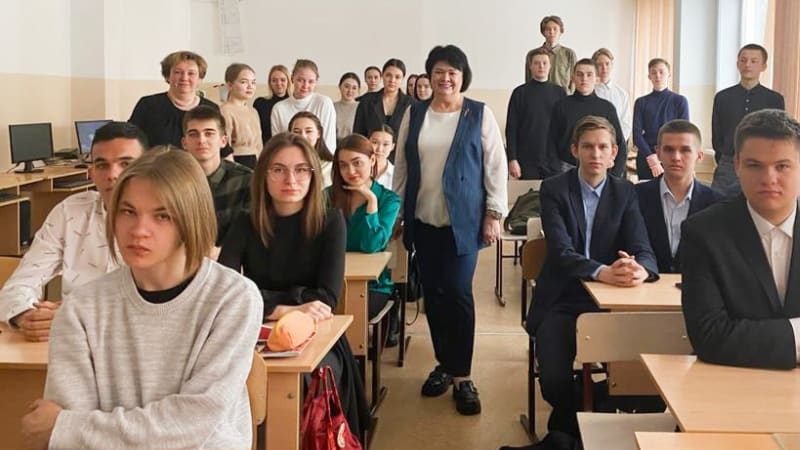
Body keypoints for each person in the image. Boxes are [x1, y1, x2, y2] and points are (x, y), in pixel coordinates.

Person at [21, 148, 262, 450]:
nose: (139, 231)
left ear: (191, 219)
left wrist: (68, 428)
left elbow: (194, 423)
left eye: (162, 216)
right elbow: (73, 444)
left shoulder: (233, 298)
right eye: (128, 212)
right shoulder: (81, 309)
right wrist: (72, 431)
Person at [502, 116, 658, 450]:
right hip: (562, 298)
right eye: (587, 146)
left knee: (637, 379)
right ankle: (581, 424)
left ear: (614, 153)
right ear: (575, 150)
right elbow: (560, 252)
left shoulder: (625, 192)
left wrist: (641, 269)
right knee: (554, 382)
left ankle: (565, 435)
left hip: (610, 302)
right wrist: (602, 271)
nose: (595, 154)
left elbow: (643, 247)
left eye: (603, 147)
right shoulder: (554, 188)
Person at [218, 132, 370, 438]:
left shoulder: (331, 221)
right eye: (278, 169)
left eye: (301, 170)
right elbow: (226, 292)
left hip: (317, 336)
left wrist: (261, 300)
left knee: (306, 383)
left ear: (313, 176)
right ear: (264, 175)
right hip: (256, 332)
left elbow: (326, 298)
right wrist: (287, 308)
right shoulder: (245, 222)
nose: (290, 179)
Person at [395, 44, 508, 416]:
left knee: (458, 293)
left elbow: (496, 166)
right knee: (434, 294)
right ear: (429, 75)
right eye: (439, 71)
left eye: (452, 72)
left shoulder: (479, 114)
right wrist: (398, 210)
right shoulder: (415, 113)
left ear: (463, 77)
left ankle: (463, 376)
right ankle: (444, 363)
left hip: (465, 221)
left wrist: (494, 213)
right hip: (423, 218)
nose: (445, 78)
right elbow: (402, 166)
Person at [0, 122, 147, 341]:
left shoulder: (168, 221)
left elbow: (164, 306)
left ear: (147, 169)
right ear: (91, 173)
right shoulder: (70, 212)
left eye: (125, 163)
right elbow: (18, 285)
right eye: (102, 165)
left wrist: (76, 316)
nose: (112, 174)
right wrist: (27, 316)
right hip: (71, 343)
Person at [682, 109, 800, 370]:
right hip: (728, 384)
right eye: (754, 165)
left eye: (782, 166)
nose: (769, 178)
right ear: (736, 165)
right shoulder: (703, 233)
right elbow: (710, 336)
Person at [327, 134, 400, 319]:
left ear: (372, 160)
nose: (350, 171)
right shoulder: (327, 197)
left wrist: (371, 202)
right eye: (343, 165)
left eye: (357, 163)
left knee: (352, 312)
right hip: (332, 279)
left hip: (372, 284)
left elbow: (371, 246)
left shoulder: (389, 199)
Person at [635, 120, 723, 273]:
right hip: (646, 283)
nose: (676, 157)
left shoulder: (717, 204)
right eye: (669, 149)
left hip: (698, 285)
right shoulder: (635, 197)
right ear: (658, 153)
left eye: (685, 150)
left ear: (699, 156)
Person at [711, 44, 785, 197]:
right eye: (743, 60)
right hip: (728, 163)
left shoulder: (774, 99)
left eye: (753, 61)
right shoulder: (722, 97)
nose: (747, 65)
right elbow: (717, 133)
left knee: (758, 203)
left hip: (762, 163)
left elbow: (779, 135)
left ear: (763, 66)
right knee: (718, 204)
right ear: (738, 64)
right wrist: (725, 156)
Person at [182, 105, 252, 254]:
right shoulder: (172, 181)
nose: (201, 140)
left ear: (223, 140)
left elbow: (251, 234)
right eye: (193, 134)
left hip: (232, 261)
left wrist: (222, 253)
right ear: (184, 143)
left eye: (209, 133)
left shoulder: (246, 180)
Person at [548, 59, 627, 176]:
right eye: (579, 74)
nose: (584, 78)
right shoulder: (561, 106)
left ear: (597, 79)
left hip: (599, 167)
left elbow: (620, 143)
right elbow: (550, 142)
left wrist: (614, 175)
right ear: (573, 78)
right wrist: (556, 171)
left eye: (589, 75)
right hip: (566, 169)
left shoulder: (607, 108)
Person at [129, 50, 219, 149]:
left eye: (191, 73)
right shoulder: (148, 105)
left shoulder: (211, 108)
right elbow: (131, 142)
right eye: (177, 72)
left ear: (200, 78)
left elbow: (222, 149)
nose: (184, 78)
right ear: (167, 76)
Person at [506, 47, 566, 179]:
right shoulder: (520, 93)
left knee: (554, 192)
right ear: (530, 66)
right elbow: (511, 128)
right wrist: (512, 159)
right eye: (537, 63)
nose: (541, 66)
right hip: (527, 159)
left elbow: (564, 127)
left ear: (550, 66)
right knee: (529, 193)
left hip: (554, 160)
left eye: (544, 63)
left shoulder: (560, 93)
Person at [632, 58, 690, 180]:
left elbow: (684, 133)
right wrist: (651, 157)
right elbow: (637, 134)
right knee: (646, 190)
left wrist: (667, 155)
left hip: (672, 157)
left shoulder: (680, 101)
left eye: (661, 72)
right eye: (653, 72)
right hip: (647, 158)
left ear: (669, 74)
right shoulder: (641, 102)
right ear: (649, 76)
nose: (657, 76)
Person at [270, 59, 337, 150]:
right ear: (292, 78)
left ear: (316, 81)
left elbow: (329, 144)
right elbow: (278, 146)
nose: (305, 86)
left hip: (319, 158)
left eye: (311, 81)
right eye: (300, 80)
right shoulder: (279, 108)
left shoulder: (324, 103)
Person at [353, 58, 413, 139]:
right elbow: (358, 135)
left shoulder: (411, 104)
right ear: (382, 76)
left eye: (397, 77)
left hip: (400, 147)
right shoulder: (367, 101)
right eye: (388, 75)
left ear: (403, 79)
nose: (392, 80)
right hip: (370, 146)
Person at [220, 63, 263, 169]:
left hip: (256, 161)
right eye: (244, 82)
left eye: (253, 82)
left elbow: (259, 144)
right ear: (230, 85)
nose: (250, 86)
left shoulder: (253, 111)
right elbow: (224, 145)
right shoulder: (225, 110)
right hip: (236, 162)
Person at [524, 15, 576, 93]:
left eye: (555, 29)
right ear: (543, 32)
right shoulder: (533, 54)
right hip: (539, 95)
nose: (551, 32)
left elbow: (574, 80)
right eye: (548, 29)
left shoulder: (569, 54)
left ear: (561, 31)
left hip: (563, 97)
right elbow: (528, 78)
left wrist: (570, 95)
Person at [593, 48, 632, 142]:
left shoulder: (622, 94)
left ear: (612, 65)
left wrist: (615, 142)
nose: (604, 68)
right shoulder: (589, 91)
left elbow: (626, 124)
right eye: (599, 64)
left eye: (607, 63)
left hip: (616, 143)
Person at [289, 111, 334, 187]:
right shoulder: (284, 164)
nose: (303, 136)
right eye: (296, 132)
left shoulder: (330, 166)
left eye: (308, 131)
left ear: (319, 133)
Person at [253, 64, 291, 145]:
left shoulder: (294, 103)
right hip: (266, 147)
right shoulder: (260, 103)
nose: (278, 83)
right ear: (270, 83)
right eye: (274, 80)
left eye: (283, 80)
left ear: (288, 82)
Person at [334, 72, 361, 145]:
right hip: (334, 146)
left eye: (354, 88)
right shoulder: (332, 106)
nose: (350, 91)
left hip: (354, 145)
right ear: (340, 86)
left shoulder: (361, 107)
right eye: (346, 86)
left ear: (358, 90)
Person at [369, 125, 396, 189]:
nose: (379, 149)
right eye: (375, 142)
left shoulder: (396, 174)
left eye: (385, 144)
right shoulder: (359, 169)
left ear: (392, 147)